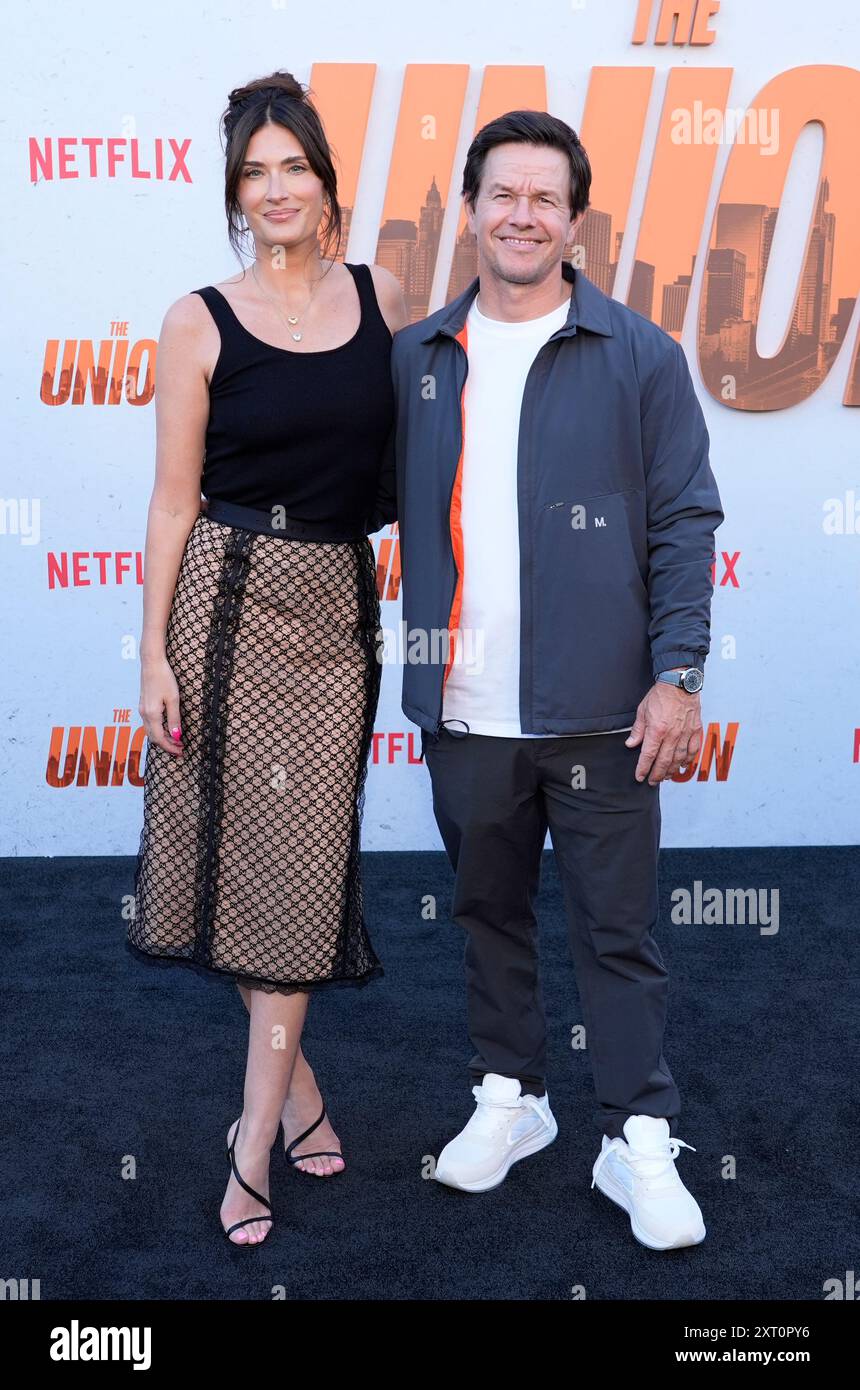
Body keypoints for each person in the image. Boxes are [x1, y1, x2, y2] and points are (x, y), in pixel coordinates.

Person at [391, 110, 724, 1251]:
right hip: (463, 706)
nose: (521, 214)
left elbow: (685, 519)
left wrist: (676, 674)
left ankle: (634, 1136)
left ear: (572, 221)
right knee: (485, 912)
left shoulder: (637, 353)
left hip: (602, 710)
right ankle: (512, 1097)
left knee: (616, 932)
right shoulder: (419, 356)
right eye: (501, 193)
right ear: (472, 209)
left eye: (544, 198)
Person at [127, 71, 408, 1245]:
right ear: (234, 193)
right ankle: (264, 1129)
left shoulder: (384, 295)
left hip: (335, 610)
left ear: (326, 184)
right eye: (256, 171)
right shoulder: (198, 318)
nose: (277, 187)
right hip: (220, 606)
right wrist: (152, 652)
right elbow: (169, 505)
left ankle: (284, 1093)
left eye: (295, 166)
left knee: (290, 879)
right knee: (227, 864)